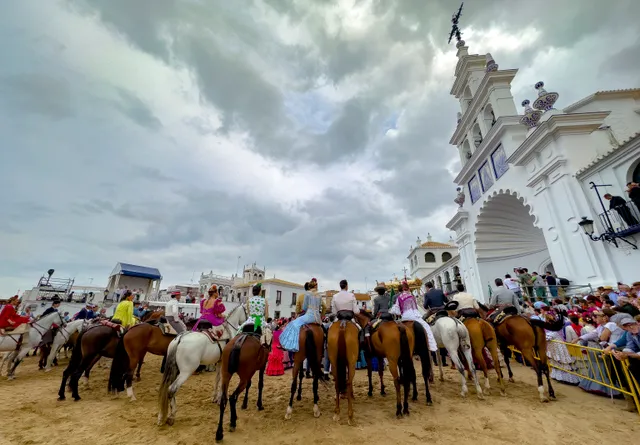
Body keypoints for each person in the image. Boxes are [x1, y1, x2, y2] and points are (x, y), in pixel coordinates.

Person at [389, 281, 437, 352]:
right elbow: (416, 308)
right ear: (407, 289)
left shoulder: (399, 298)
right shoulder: (411, 296)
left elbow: (397, 311)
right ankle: (432, 346)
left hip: (405, 317)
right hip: (415, 316)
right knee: (426, 327)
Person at [280, 278, 323, 352]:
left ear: (310, 287)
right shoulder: (319, 295)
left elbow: (304, 307)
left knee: (293, 323)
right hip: (317, 318)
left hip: (309, 316)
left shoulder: (307, 294)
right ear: (315, 286)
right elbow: (319, 307)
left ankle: (291, 345)